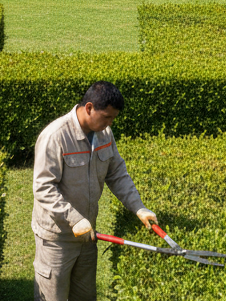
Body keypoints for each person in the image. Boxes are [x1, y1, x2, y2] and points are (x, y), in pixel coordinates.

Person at [32, 81, 158, 301]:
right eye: (107, 117)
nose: (110, 123)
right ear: (89, 107)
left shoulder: (104, 134)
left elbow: (117, 174)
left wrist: (139, 208)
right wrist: (73, 218)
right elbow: (43, 187)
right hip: (57, 239)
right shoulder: (55, 136)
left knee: (85, 296)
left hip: (88, 237)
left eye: (113, 118)